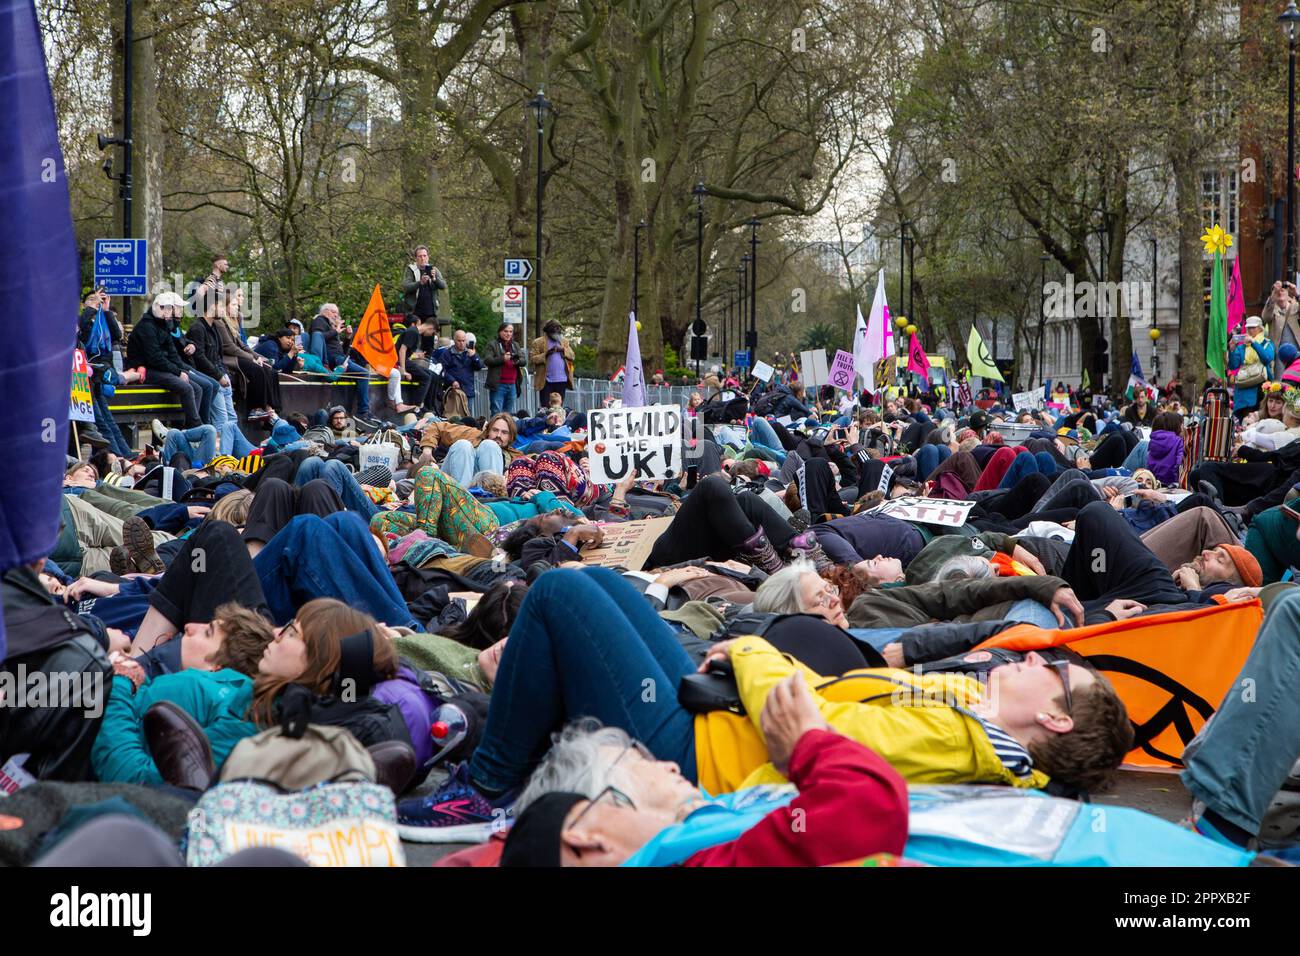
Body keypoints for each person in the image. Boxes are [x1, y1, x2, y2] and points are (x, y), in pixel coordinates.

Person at [394, 566, 1131, 839]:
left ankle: (486, 789)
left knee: (557, 594)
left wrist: (750, 653)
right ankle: (504, 758)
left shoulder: (965, 743)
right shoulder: (967, 713)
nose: (1038, 659)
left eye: (1057, 672)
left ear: (1056, 717)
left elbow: (813, 724)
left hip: (700, 750)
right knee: (607, 585)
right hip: (717, 715)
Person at [500, 703, 909, 867]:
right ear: (588, 838)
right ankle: (487, 777)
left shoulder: (714, 823)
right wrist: (808, 744)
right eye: (641, 761)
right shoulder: (693, 856)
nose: (669, 766)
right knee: (559, 590)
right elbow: (862, 813)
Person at [124, 291, 207, 428]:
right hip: (145, 369)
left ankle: (188, 428)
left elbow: (172, 354)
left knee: (197, 388)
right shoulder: (146, 326)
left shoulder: (164, 325)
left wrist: (181, 370)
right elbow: (154, 358)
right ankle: (195, 427)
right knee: (186, 388)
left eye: (169, 308)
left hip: (160, 368)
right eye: (165, 308)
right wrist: (178, 372)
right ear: (158, 308)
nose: (168, 312)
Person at [386, 315, 436, 414]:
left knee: (431, 375)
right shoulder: (413, 332)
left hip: (404, 360)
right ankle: (417, 406)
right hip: (398, 361)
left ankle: (426, 405)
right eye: (432, 332)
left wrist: (416, 356)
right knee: (425, 377)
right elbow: (402, 350)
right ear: (430, 328)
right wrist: (403, 370)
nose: (430, 335)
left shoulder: (414, 333)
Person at [1228, 315, 1275, 418]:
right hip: (1245, 388)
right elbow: (1233, 365)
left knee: (1263, 417)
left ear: (1260, 328)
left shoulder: (1266, 343)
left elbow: (1267, 358)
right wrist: (1232, 349)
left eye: (1253, 327)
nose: (1250, 330)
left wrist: (1254, 343)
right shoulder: (1241, 347)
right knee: (1246, 419)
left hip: (1262, 387)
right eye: (1248, 327)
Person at [433, 329, 486, 419]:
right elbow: (442, 370)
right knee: (453, 417)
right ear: (454, 341)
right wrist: (452, 381)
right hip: (453, 391)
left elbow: (480, 366)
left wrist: (474, 356)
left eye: (463, 340)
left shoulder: (470, 352)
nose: (461, 343)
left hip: (468, 390)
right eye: (459, 341)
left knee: (467, 416)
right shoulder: (447, 354)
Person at [400, 245, 447, 332]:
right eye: (420, 256)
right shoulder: (411, 270)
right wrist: (420, 283)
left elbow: (443, 286)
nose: (422, 258)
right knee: (414, 339)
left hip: (431, 313)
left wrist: (434, 279)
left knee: (428, 342)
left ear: (428, 257)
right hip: (414, 313)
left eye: (424, 256)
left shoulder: (434, 270)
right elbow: (405, 287)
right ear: (416, 258)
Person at [530, 320, 575, 407]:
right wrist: (546, 354)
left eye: (559, 329)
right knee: (546, 406)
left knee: (558, 407)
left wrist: (563, 350)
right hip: (546, 380)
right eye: (554, 329)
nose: (557, 331)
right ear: (548, 331)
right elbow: (532, 359)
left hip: (562, 379)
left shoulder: (564, 341)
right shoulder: (538, 342)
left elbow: (572, 356)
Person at [484, 322, 525, 415]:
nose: (508, 334)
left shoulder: (515, 345)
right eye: (505, 331)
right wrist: (503, 359)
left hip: (513, 384)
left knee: (508, 413)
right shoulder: (492, 345)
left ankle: (506, 429)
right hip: (499, 384)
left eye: (510, 332)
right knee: (496, 412)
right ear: (499, 332)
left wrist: (517, 361)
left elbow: (524, 361)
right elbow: (487, 360)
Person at [1263, 279, 1300, 378]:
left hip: (1297, 353)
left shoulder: (1295, 307)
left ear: (1288, 293)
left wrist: (1297, 293)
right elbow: (1265, 317)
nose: (1280, 291)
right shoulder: (1271, 309)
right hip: (1279, 356)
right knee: (1280, 382)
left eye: (1283, 289)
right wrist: (1272, 297)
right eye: (1277, 291)